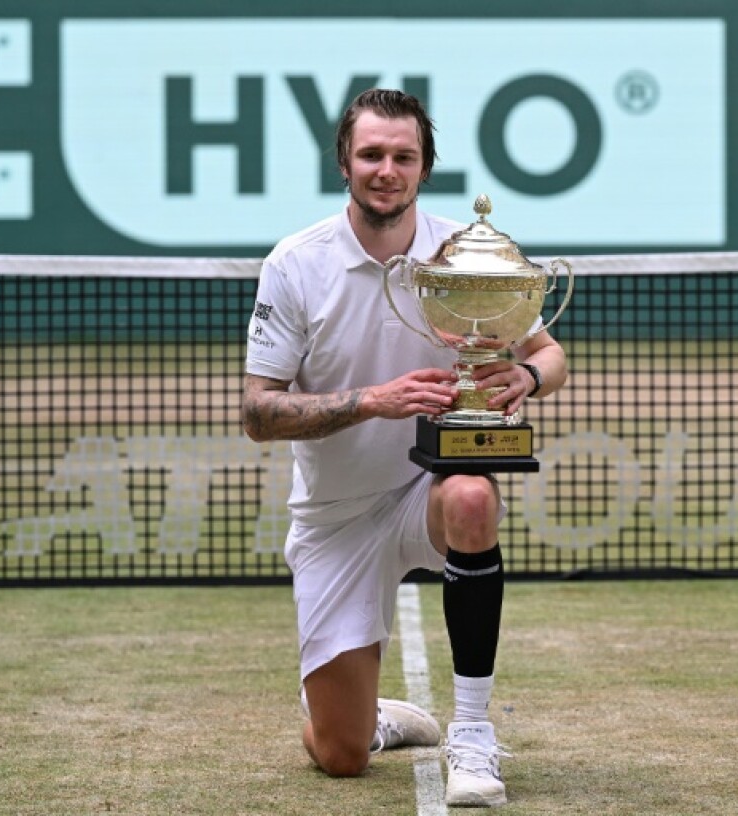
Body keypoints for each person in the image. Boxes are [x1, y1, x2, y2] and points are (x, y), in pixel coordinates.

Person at [241, 88, 568, 808]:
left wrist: (526, 375)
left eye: (403, 156)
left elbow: (551, 354)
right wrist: (372, 401)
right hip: (336, 518)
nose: (387, 169)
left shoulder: (467, 257)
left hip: (427, 491)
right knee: (340, 757)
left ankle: (474, 733)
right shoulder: (296, 264)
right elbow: (258, 412)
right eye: (371, 155)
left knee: (475, 496)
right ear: (345, 162)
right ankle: (371, 719)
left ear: (424, 167)